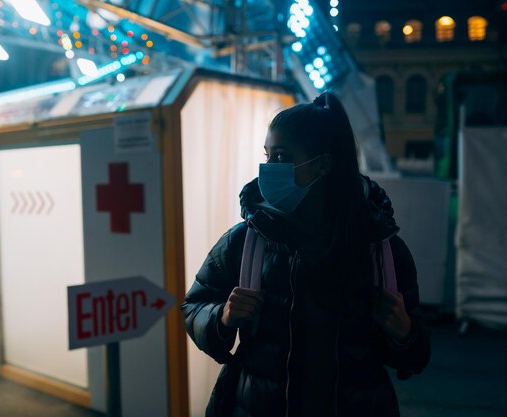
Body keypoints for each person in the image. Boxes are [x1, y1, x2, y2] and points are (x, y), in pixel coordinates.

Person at [181, 92, 431, 417]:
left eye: (282, 157)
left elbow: (417, 355)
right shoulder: (246, 240)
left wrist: (404, 331)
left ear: (323, 165)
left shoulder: (380, 248)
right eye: (267, 155)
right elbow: (194, 306)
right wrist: (223, 317)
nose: (269, 169)